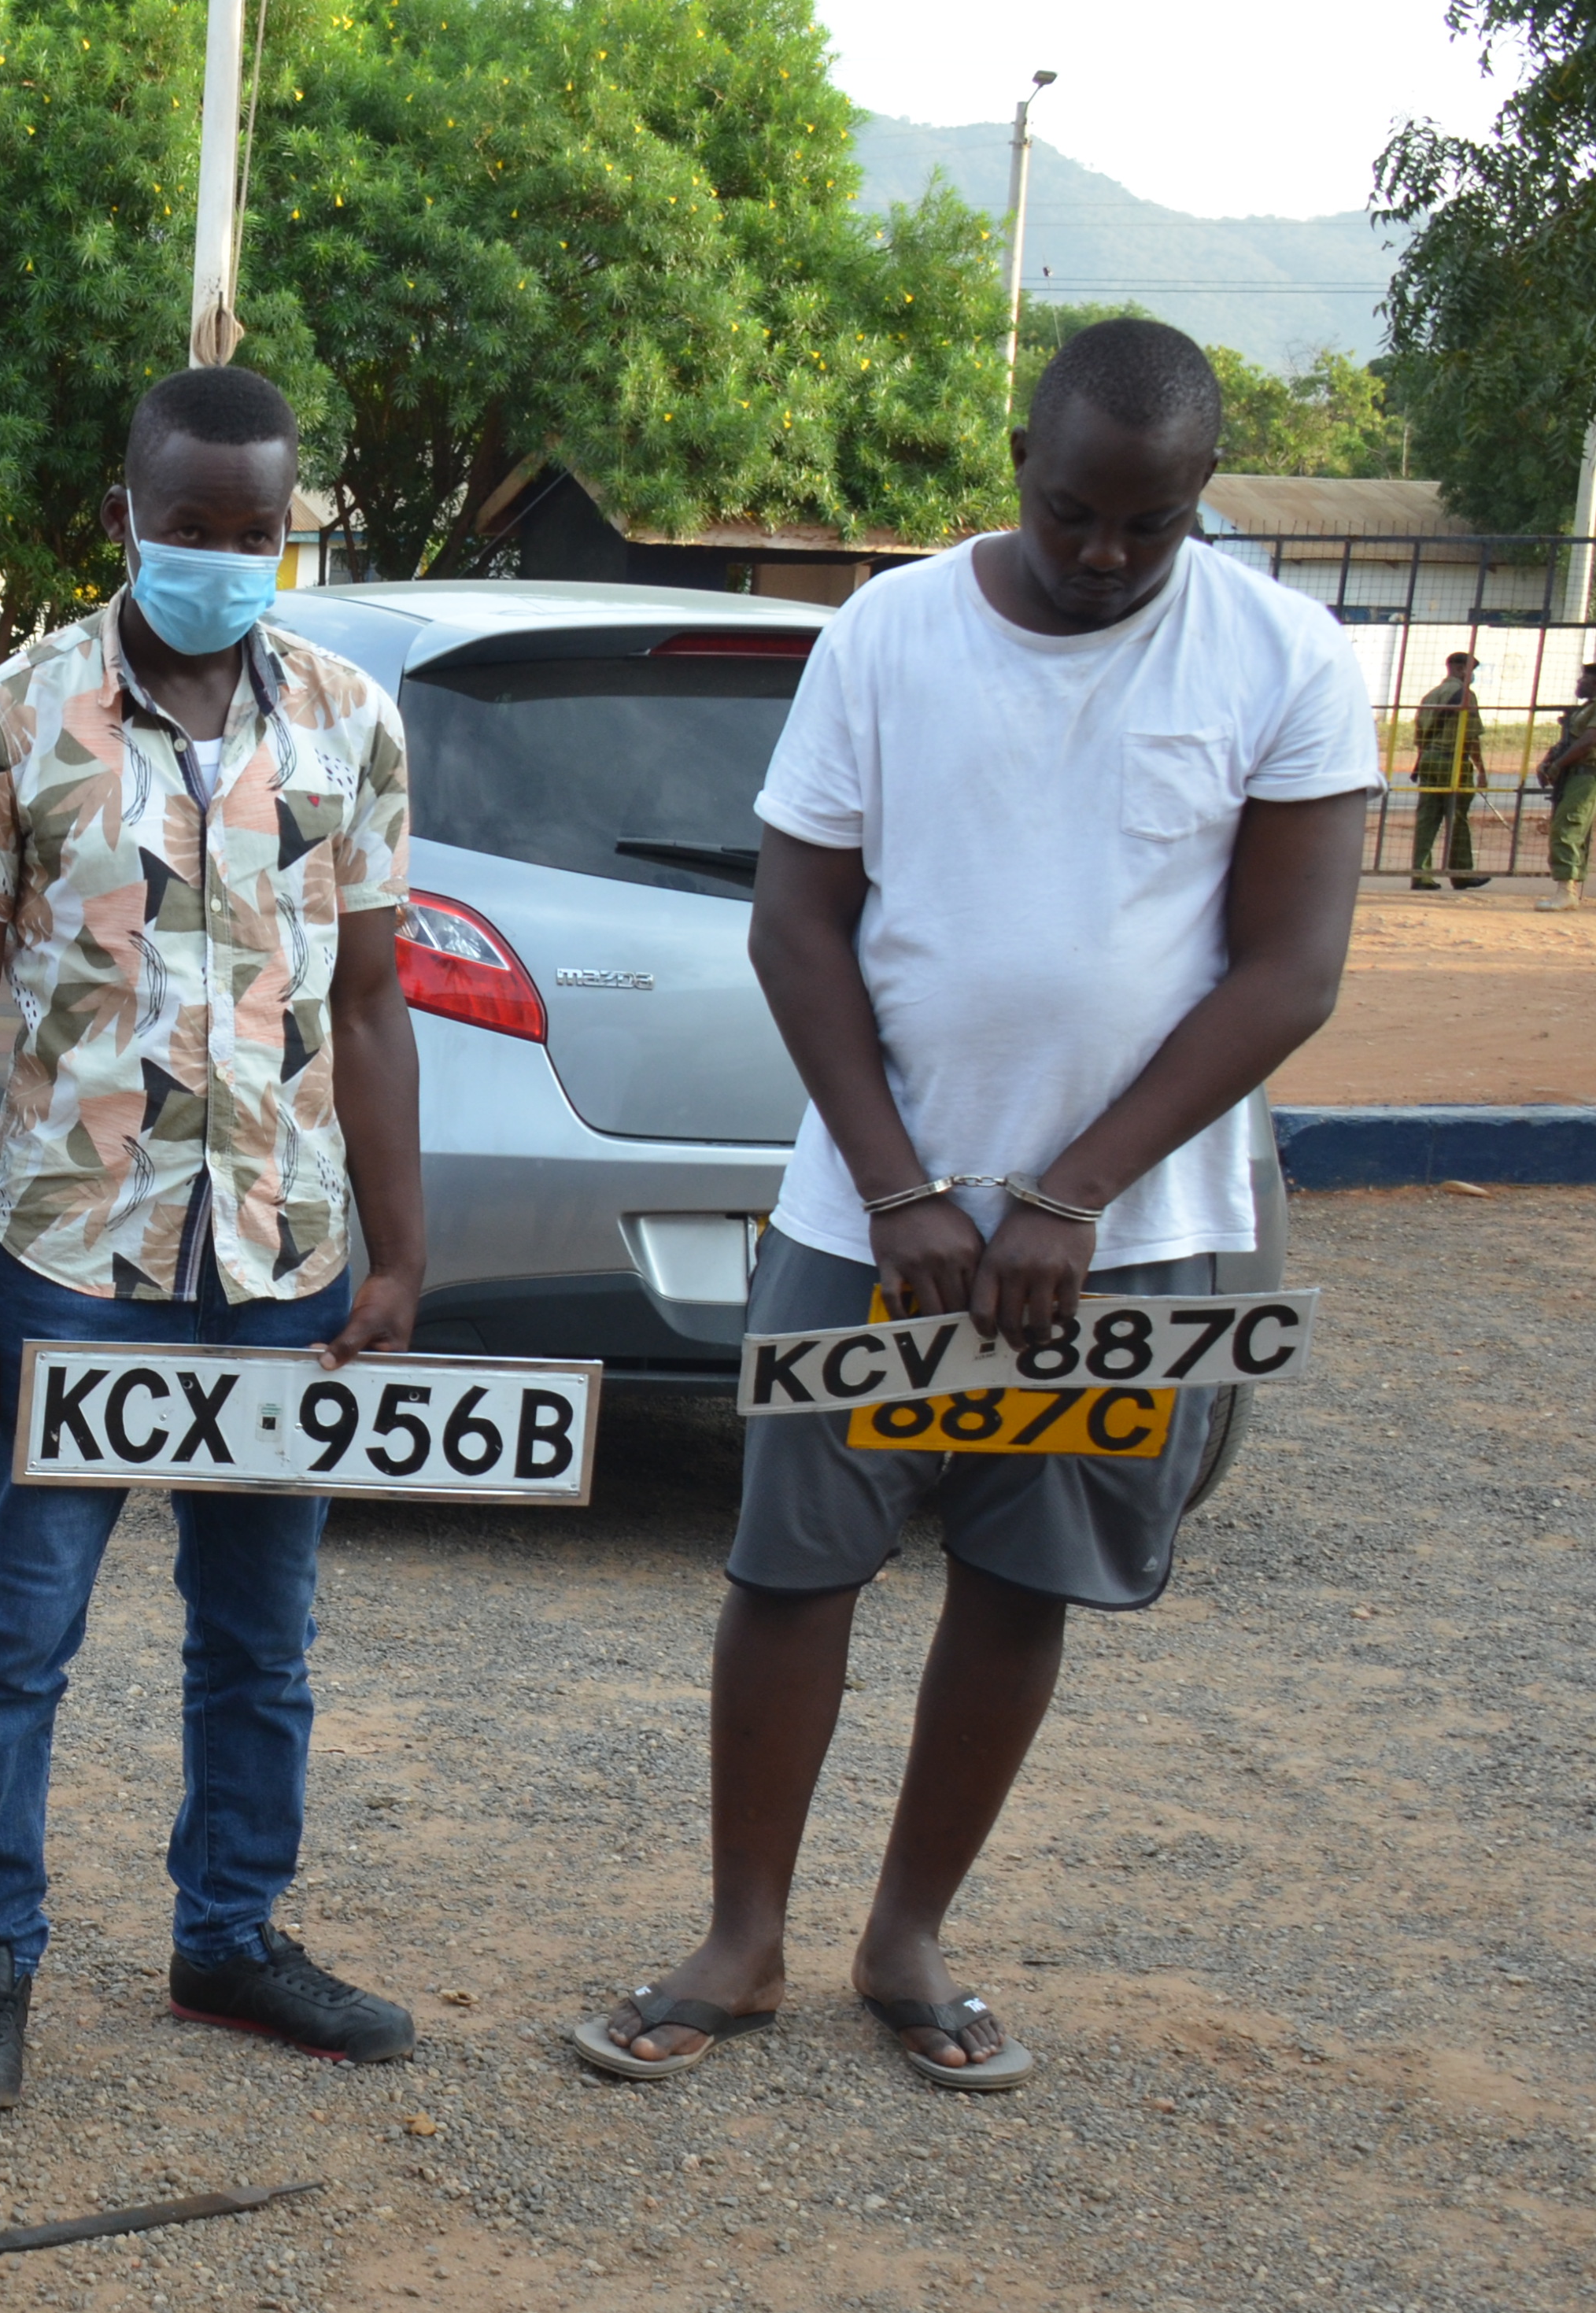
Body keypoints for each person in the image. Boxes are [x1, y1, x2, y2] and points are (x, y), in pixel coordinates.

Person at [573, 316, 1373, 2094]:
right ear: (1021, 460)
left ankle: (907, 1939)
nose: (1102, 553)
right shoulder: (890, 632)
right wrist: (896, 1186)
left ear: (1200, 496)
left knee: (1023, 1574)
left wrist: (1070, 1196)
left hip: (1128, 1240)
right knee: (794, 1563)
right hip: (866, 1223)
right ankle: (740, 1938)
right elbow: (796, 923)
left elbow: (1290, 968)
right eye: (1071, 510)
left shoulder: (1285, 657)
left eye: (1147, 525)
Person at [0, 365, 428, 2115]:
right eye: (189, 525)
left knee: (260, 1639)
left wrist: (399, 1256)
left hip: (283, 1263)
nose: (221, 554)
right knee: (15, 1637)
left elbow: (372, 1005)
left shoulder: (350, 723)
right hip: (70, 1266)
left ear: (288, 529)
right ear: (122, 518)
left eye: (252, 529)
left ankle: (230, 1937)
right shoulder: (12, 720)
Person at [1409, 650, 1487, 890]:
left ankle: (1420, 875)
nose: (1472, 675)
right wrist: (1481, 770)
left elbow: (1420, 736)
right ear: (1461, 669)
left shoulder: (1430, 696)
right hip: (1453, 762)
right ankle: (1461, 874)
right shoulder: (1466, 696)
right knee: (1457, 818)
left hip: (1429, 759)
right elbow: (1471, 737)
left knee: (1427, 819)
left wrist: (1423, 760)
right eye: (1471, 670)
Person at [1534, 660, 1593, 913]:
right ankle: (1569, 889)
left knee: (1567, 828)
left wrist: (1558, 765)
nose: (1579, 682)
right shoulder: (1585, 710)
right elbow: (1568, 742)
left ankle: (1566, 892)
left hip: (1586, 775)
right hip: (1575, 774)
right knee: (1569, 828)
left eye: (1585, 678)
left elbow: (1588, 742)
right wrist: (1548, 762)